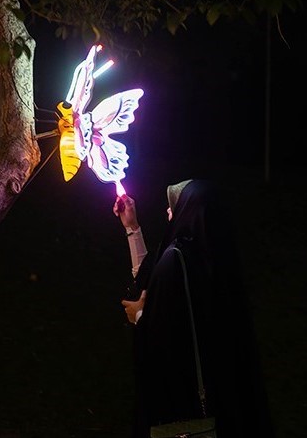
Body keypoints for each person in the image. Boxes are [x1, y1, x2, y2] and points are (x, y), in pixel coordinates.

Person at [113, 179, 274, 438]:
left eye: (174, 205)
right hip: (225, 397)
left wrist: (139, 316)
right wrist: (133, 228)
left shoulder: (176, 259)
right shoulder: (214, 258)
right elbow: (152, 282)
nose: (168, 211)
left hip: (185, 404)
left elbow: (167, 335)